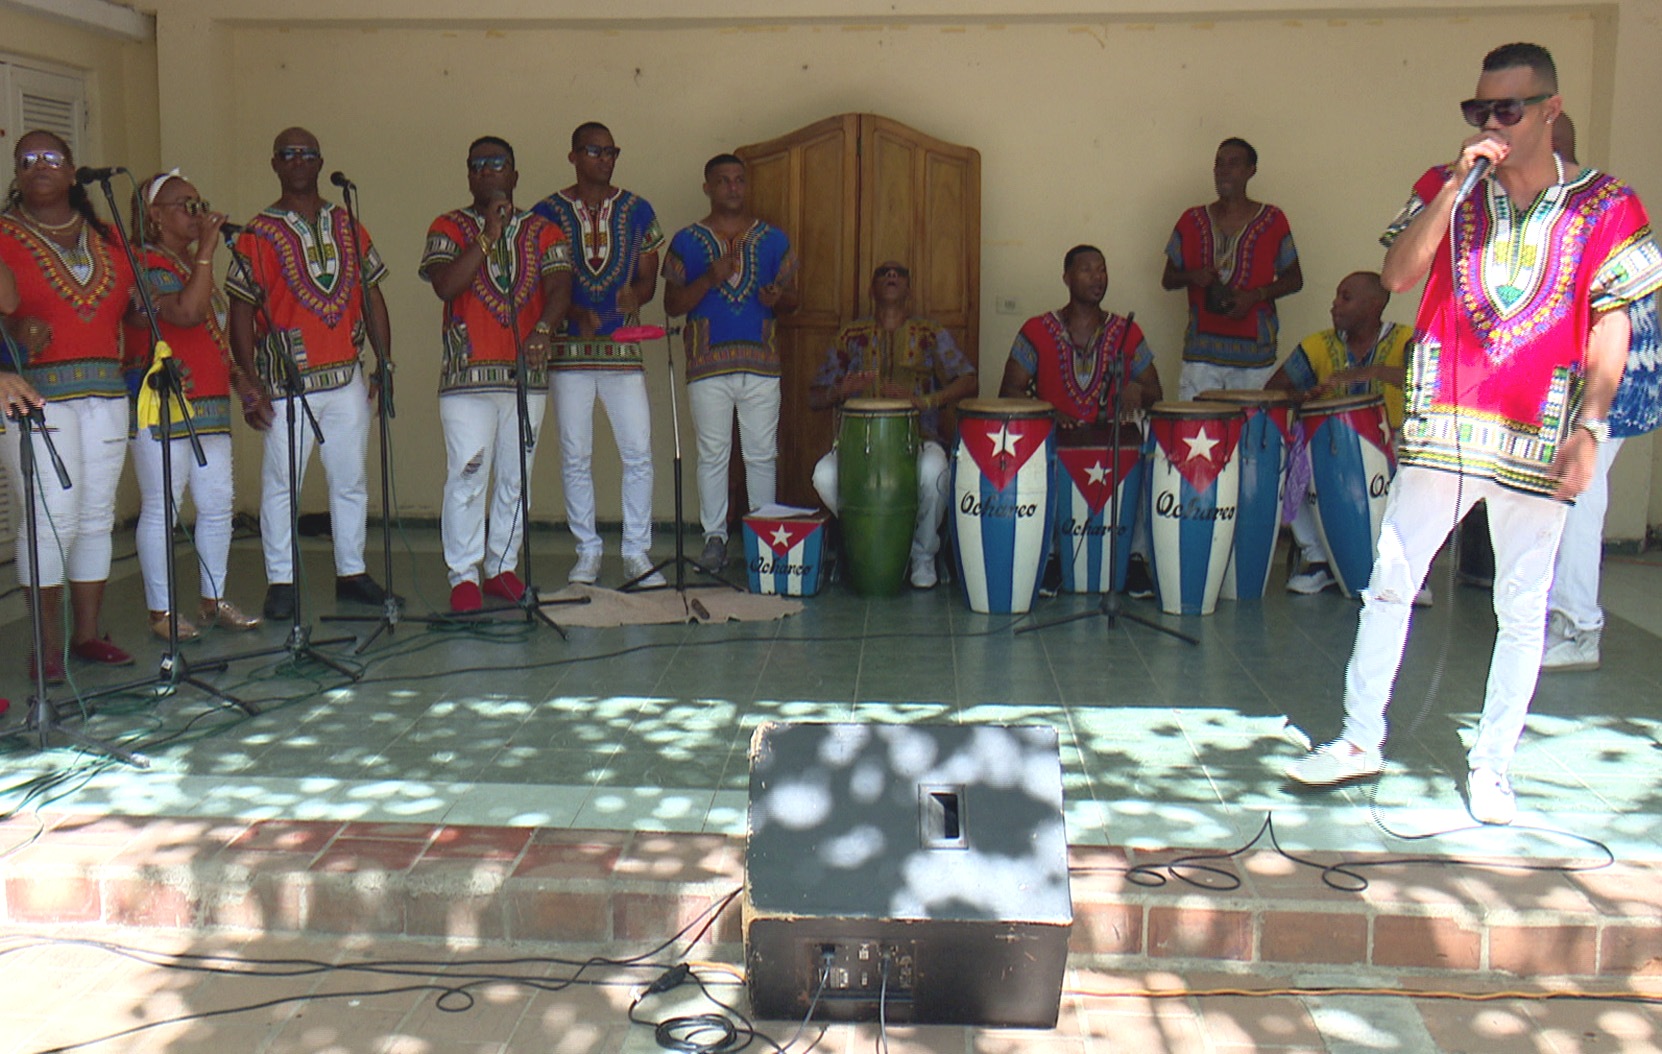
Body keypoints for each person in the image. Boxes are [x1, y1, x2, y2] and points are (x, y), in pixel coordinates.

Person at [1286, 43, 1662, 826]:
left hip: (1539, 427)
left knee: (1523, 605)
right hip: (1446, 424)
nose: (1491, 122)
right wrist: (1457, 184)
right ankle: (1359, 738)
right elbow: (1395, 277)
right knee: (1392, 576)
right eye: (1478, 110)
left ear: (1549, 112)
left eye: (1507, 110)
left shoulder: (1606, 203)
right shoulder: (1445, 187)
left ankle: (1492, 766)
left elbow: (1613, 320)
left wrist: (1592, 428)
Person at [226, 127, 396, 621]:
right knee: (282, 484)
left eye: (306, 153)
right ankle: (281, 581)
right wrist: (249, 380)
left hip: (346, 378)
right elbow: (240, 309)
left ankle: (352, 571)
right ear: (274, 164)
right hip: (285, 384)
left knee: (350, 479)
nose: (298, 160)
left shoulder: (349, 223)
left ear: (321, 162)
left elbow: (373, 296)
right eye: (287, 154)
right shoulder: (257, 232)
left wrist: (384, 361)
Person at [0, 130, 138, 682]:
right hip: (34, 396)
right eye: (27, 159)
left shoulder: (106, 237)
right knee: (49, 516)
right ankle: (45, 645)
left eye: (51, 157)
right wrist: (13, 328)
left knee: (95, 517)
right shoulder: (4, 234)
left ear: (73, 169)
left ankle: (85, 635)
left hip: (106, 394)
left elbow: (134, 308)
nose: (39, 166)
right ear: (15, 172)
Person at [421, 136, 571, 612]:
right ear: (468, 175)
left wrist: (545, 327)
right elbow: (446, 284)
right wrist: (488, 233)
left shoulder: (543, 230)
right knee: (467, 475)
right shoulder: (447, 225)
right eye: (479, 165)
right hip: (467, 380)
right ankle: (463, 573)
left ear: (514, 174)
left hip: (526, 377)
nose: (488, 172)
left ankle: (501, 567)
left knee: (515, 477)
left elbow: (561, 285)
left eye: (498, 164)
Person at [1539, 114, 1662, 670]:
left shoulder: (1592, 207)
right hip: (1602, 381)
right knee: (1570, 497)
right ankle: (1564, 618)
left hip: (1613, 382)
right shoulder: (1575, 204)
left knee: (1578, 498)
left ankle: (1579, 628)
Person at [125, 170, 262, 640]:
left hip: (207, 402)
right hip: (161, 401)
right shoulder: (143, 263)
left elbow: (211, 335)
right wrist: (207, 249)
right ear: (154, 217)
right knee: (162, 506)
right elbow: (185, 312)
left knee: (217, 503)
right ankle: (160, 613)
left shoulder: (189, 265)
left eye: (200, 203)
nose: (199, 213)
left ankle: (213, 597)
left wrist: (241, 381)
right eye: (186, 205)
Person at [531, 122, 665, 588]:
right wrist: (573, 313)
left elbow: (648, 277)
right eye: (594, 150)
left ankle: (636, 553)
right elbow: (539, 281)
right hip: (569, 354)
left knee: (638, 452)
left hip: (622, 352)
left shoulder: (638, 209)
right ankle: (587, 551)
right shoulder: (546, 212)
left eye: (611, 151)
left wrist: (637, 298)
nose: (605, 159)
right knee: (575, 454)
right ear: (573, 155)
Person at [1000, 244, 1163, 597]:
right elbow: (1008, 391)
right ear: (1066, 277)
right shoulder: (1037, 330)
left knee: (1151, 441)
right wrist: (1048, 411)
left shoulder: (1126, 331)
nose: (1097, 277)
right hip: (1058, 439)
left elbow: (1156, 391)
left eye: (1102, 269)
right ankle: (1054, 558)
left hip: (1114, 440)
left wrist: (1137, 390)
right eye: (1087, 269)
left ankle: (1134, 558)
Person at [664, 153, 798, 572]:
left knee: (762, 454)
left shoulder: (773, 239)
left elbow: (794, 301)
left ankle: (764, 537)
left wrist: (780, 299)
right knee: (713, 454)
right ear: (707, 187)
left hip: (761, 364)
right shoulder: (687, 240)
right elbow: (671, 304)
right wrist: (710, 278)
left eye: (739, 180)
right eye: (723, 181)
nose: (733, 188)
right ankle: (714, 538)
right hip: (707, 366)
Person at [809, 261, 978, 589]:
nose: (891, 277)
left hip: (919, 438)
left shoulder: (930, 333)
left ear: (909, 291)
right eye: (883, 273)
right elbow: (814, 397)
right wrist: (840, 390)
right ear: (872, 290)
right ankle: (871, 544)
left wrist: (924, 400)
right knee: (824, 476)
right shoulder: (851, 335)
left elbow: (970, 381)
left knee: (935, 471)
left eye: (899, 274)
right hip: (859, 445)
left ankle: (922, 554)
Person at [1268, 271, 1411, 596]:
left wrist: (1371, 372)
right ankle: (1317, 559)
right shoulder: (1317, 346)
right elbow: (1274, 391)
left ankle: (1405, 567)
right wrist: (1303, 398)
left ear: (1375, 305)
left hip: (1393, 443)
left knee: (1421, 476)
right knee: (1287, 465)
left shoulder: (1406, 340)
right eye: (1336, 296)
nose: (1334, 305)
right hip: (1328, 448)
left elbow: (1428, 380)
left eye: (1345, 298)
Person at [1162, 137, 1303, 399]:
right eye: (1219, 164)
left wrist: (1255, 296)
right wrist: (1193, 276)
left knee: (1252, 433)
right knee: (1198, 431)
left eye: (1234, 164)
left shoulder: (1272, 220)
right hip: (1201, 354)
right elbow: (1168, 278)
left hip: (1254, 355)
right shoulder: (1191, 220)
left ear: (1251, 170)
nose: (1224, 170)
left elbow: (1294, 279)